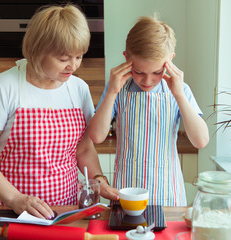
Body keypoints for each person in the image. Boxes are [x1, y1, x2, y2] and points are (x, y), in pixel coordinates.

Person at [0, 4, 118, 219]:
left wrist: (98, 178)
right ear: (37, 50)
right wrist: (16, 199)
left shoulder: (78, 88)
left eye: (79, 56)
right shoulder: (4, 87)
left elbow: (83, 149)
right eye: (63, 59)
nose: (72, 66)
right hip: (13, 211)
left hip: (67, 210)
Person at [89, 16, 209, 206]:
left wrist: (178, 94)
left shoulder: (181, 90)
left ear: (170, 60)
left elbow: (201, 140)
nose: (147, 81)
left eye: (156, 72)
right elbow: (96, 136)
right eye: (139, 72)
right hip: (126, 193)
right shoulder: (117, 89)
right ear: (127, 58)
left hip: (168, 193)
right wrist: (112, 91)